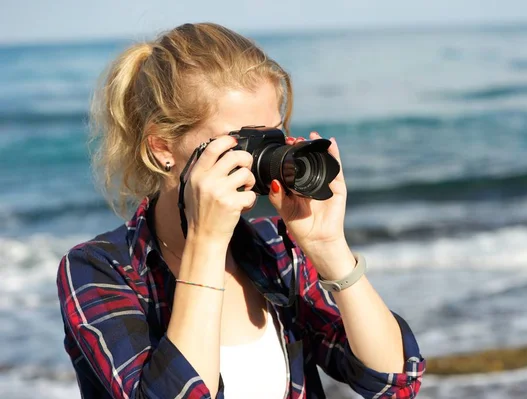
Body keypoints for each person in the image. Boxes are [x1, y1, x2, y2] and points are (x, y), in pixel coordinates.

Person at [56, 22, 425, 399]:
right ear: (162, 147)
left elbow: (393, 383)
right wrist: (206, 243)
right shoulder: (100, 270)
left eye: (272, 136)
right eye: (241, 140)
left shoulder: (276, 251)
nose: (260, 157)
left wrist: (329, 247)